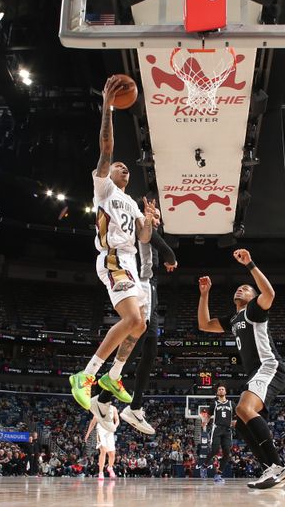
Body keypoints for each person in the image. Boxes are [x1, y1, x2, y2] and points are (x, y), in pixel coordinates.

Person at [69, 75, 156, 411]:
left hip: (131, 260)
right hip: (113, 258)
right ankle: (87, 375)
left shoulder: (132, 203)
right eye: (120, 166)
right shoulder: (103, 188)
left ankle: (114, 374)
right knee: (132, 318)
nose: (124, 168)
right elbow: (106, 148)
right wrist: (107, 106)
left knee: (142, 324)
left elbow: (144, 238)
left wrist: (148, 223)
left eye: (127, 168)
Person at [197, 249, 285, 490]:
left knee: (242, 408)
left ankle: (279, 467)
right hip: (256, 373)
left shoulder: (255, 310)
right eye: (238, 288)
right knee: (239, 421)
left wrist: (250, 264)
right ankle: (269, 469)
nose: (240, 289)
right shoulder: (233, 318)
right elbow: (204, 325)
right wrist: (204, 294)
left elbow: (269, 293)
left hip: (270, 366)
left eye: (245, 288)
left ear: (252, 296)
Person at [91, 208, 178, 435]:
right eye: (154, 214)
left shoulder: (148, 230)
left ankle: (134, 407)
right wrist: (171, 257)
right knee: (137, 345)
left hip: (151, 288)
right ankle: (103, 398)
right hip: (141, 285)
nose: (156, 219)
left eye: (159, 216)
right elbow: (163, 249)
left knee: (149, 351)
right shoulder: (143, 227)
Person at [202, 384, 236, 483]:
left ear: (225, 392)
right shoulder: (214, 404)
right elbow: (208, 416)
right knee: (215, 450)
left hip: (227, 430)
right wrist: (205, 422)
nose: (221, 390)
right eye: (219, 389)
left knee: (227, 453)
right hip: (217, 429)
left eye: (223, 389)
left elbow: (235, 417)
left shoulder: (231, 404)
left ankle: (218, 474)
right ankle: (204, 466)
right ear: (217, 393)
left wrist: (235, 424)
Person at [85, 405, 119, 480]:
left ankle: (110, 468)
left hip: (110, 430)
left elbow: (117, 420)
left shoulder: (113, 408)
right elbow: (93, 423)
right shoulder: (98, 409)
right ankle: (101, 472)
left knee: (112, 454)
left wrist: (115, 426)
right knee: (103, 450)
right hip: (101, 430)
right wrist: (88, 433)